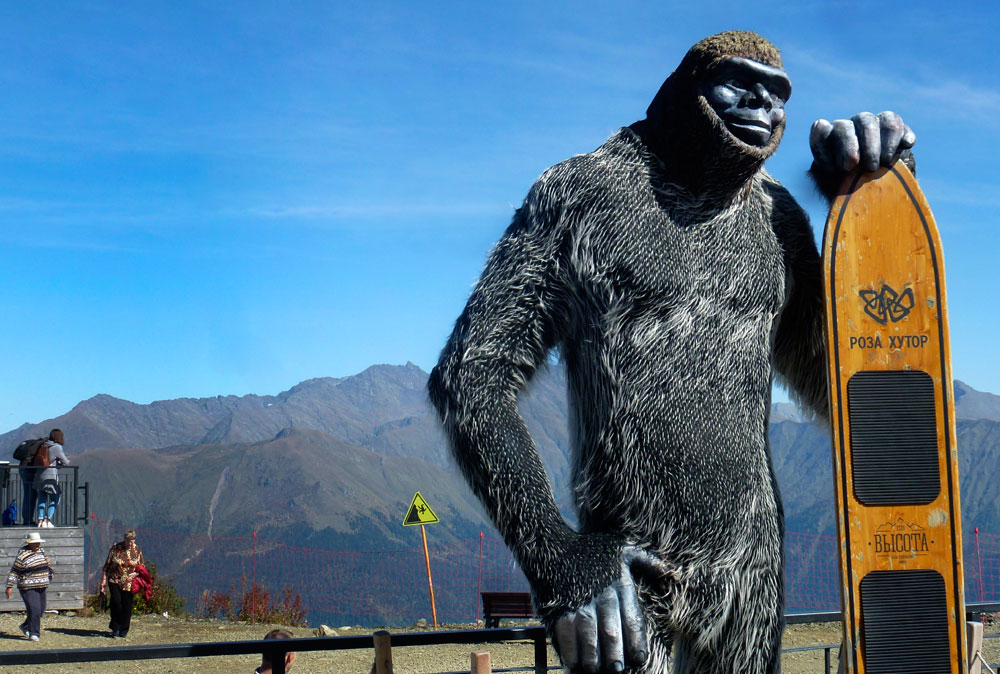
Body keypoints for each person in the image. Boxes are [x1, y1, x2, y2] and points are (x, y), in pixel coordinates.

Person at [5, 531, 53, 641]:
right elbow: (15, 571)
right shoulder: (22, 555)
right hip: (28, 586)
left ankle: (26, 626)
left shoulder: (41, 551)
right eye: (35, 542)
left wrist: (49, 571)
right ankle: (34, 633)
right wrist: (9, 586)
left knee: (40, 610)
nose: (38, 544)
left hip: (42, 584)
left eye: (38, 542)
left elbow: (43, 565)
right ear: (29, 543)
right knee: (34, 609)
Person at [100, 529, 144, 638]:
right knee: (116, 602)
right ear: (124, 539)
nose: (130, 543)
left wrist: (135, 575)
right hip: (114, 579)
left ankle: (124, 629)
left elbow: (141, 568)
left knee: (127, 605)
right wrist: (104, 581)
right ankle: (115, 626)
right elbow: (107, 565)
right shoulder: (116, 548)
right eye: (128, 541)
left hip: (129, 582)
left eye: (132, 541)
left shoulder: (137, 550)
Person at [17, 429, 64, 526]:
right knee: (32, 495)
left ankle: (34, 519)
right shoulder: (50, 447)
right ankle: (30, 520)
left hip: (25, 469)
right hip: (31, 471)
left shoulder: (42, 445)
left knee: (31, 495)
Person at [32, 430, 69, 528]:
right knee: (56, 497)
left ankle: (40, 520)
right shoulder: (57, 447)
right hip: (50, 476)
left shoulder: (43, 445)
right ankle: (47, 520)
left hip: (39, 475)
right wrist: (60, 463)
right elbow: (65, 462)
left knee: (42, 497)